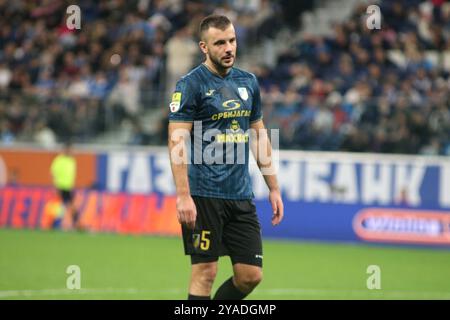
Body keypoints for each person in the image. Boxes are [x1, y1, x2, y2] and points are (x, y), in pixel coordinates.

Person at [168, 15, 284, 300]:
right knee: (205, 273)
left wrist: (274, 187)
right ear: (204, 47)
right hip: (204, 195)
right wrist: (184, 195)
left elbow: (259, 136)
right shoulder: (190, 85)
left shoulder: (248, 82)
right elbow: (177, 140)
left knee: (250, 276)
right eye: (220, 43)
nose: (229, 48)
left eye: (232, 40)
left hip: (240, 195)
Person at [50, 141, 79, 230]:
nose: (72, 152)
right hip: (61, 187)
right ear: (66, 150)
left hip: (69, 187)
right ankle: (58, 224)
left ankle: (57, 224)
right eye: (70, 150)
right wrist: (56, 186)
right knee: (65, 206)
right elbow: (53, 173)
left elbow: (71, 175)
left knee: (66, 206)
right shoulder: (59, 160)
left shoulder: (72, 161)